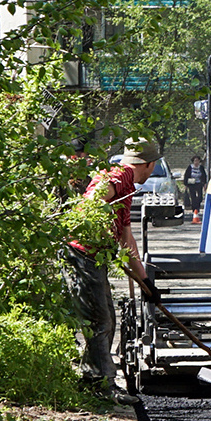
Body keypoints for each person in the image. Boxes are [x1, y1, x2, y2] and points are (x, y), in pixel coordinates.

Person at [65, 137, 152, 394]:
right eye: (153, 166)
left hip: (94, 258)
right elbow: (90, 204)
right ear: (147, 164)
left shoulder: (126, 184)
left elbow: (127, 238)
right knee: (99, 321)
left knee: (108, 320)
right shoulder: (115, 178)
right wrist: (103, 231)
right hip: (82, 255)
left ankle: (102, 380)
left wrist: (145, 282)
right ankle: (100, 386)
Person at [181, 154, 208, 222]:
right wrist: (186, 185)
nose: (196, 162)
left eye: (198, 160)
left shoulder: (201, 167)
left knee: (200, 197)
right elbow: (186, 176)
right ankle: (194, 209)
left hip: (199, 184)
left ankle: (197, 206)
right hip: (191, 184)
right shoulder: (190, 167)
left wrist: (204, 184)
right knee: (193, 197)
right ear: (193, 161)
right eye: (195, 161)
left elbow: (204, 176)